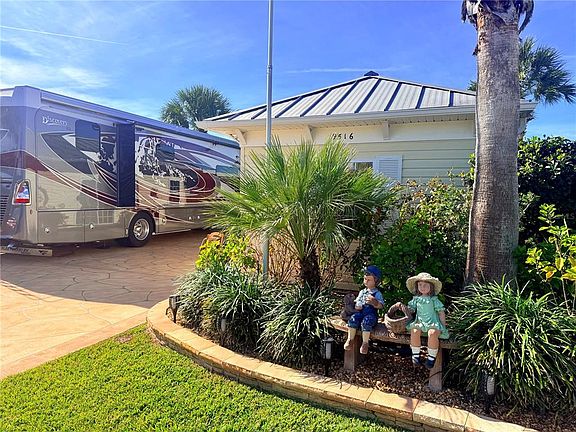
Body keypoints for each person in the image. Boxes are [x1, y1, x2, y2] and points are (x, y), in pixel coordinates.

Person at [405, 272, 449, 369]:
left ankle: (431, 358)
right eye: (420, 285)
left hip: (432, 323)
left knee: (432, 333)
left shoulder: (433, 300)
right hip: (420, 323)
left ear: (431, 287)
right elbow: (410, 310)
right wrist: (407, 310)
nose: (422, 287)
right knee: (414, 330)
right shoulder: (416, 299)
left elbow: (441, 312)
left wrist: (443, 326)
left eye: (425, 285)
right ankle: (415, 355)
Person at [343, 265, 385, 355]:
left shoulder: (377, 293)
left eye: (369, 280)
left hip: (371, 314)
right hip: (361, 312)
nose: (366, 281)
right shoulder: (362, 292)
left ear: (376, 281)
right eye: (365, 279)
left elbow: (381, 306)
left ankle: (365, 343)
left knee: (367, 321)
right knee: (353, 318)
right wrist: (357, 305)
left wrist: (375, 303)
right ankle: (350, 339)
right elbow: (357, 301)